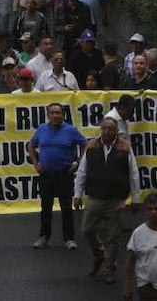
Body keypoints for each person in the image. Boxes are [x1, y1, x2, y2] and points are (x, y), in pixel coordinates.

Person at [74, 117, 141, 284]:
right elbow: (82, 171)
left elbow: (133, 174)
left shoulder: (125, 147)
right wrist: (77, 194)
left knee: (113, 237)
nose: (106, 131)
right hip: (94, 197)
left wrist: (136, 198)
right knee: (87, 230)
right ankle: (100, 254)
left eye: (110, 129)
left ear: (116, 131)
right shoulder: (91, 146)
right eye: (104, 128)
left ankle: (109, 268)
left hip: (116, 199)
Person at [27, 102, 87, 250]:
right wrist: (35, 163)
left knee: (66, 208)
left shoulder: (70, 130)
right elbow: (31, 145)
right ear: (48, 115)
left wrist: (78, 162)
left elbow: (86, 145)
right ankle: (44, 237)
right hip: (46, 174)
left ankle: (69, 239)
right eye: (52, 113)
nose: (55, 115)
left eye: (58, 113)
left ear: (63, 115)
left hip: (64, 174)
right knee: (45, 207)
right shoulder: (41, 129)